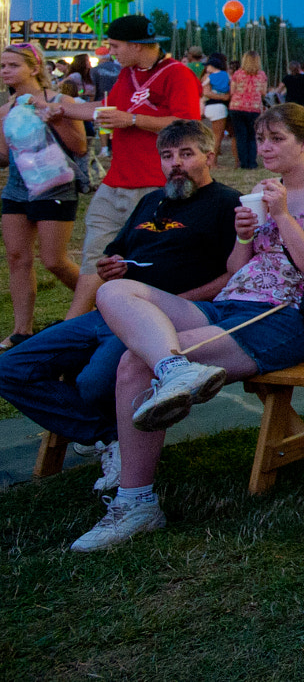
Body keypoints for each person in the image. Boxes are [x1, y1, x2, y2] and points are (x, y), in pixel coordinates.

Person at [69, 105, 304, 551]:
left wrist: (281, 217)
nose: (264, 147)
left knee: (132, 364)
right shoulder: (264, 191)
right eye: (260, 138)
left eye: (276, 138)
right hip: (231, 305)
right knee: (115, 291)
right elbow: (236, 269)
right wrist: (245, 235)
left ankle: (136, 503)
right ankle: (173, 369)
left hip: (281, 318)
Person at [0, 122, 239, 495]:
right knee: (11, 367)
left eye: (186, 154)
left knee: (93, 384)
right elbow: (117, 252)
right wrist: (109, 265)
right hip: (109, 311)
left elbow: (234, 275)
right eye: (167, 155)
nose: (175, 163)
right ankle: (109, 437)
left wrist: (178, 303)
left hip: (160, 320)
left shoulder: (227, 204)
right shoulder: (150, 202)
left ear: (209, 157)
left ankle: (113, 440)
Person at [48, 14, 203, 278]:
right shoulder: (128, 74)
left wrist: (132, 119)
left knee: (142, 259)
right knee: (96, 257)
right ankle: (83, 316)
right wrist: (60, 110)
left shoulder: (178, 74)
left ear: (136, 46)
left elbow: (187, 123)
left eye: (115, 46)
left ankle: (117, 310)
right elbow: (106, 109)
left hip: (153, 182)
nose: (110, 52)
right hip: (115, 181)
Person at [1, 41, 85, 347]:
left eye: (13, 65)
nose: (5, 71)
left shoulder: (59, 100)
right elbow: (2, 155)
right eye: (2, 66)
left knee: (54, 260)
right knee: (16, 257)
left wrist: (56, 118)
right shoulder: (6, 110)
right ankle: (22, 330)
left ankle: (99, 299)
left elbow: (80, 147)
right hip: (17, 188)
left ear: (34, 68)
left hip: (55, 186)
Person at [228, 53, 266, 170]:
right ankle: (252, 162)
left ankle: (243, 162)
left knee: (241, 136)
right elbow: (263, 92)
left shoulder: (237, 74)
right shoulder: (261, 75)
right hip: (253, 108)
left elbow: (232, 91)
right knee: (252, 136)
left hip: (237, 107)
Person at [201, 54, 231, 152]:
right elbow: (206, 92)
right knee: (217, 135)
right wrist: (224, 97)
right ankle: (213, 160)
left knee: (218, 134)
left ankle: (215, 153)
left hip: (211, 105)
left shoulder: (209, 75)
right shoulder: (224, 75)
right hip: (218, 106)